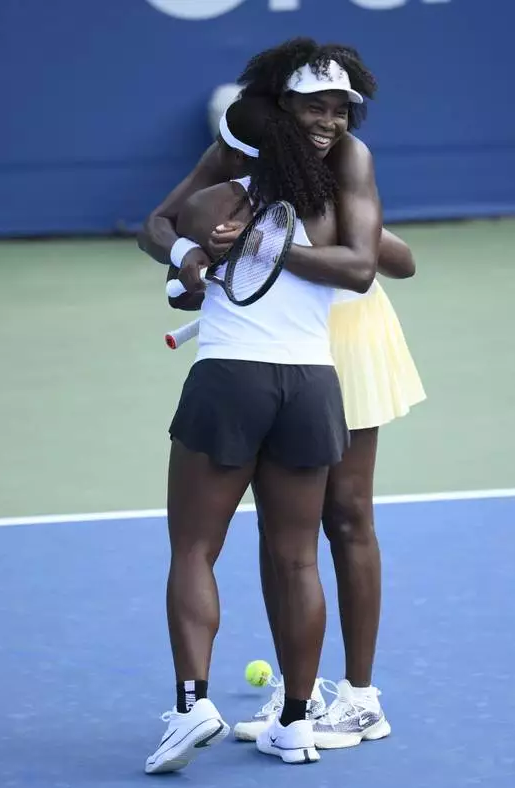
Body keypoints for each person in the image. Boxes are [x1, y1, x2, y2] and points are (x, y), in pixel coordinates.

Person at [138, 38, 425, 750]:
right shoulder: (238, 149)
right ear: (273, 108)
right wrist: (194, 259)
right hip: (277, 341)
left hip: (343, 338)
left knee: (345, 515)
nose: (330, 121)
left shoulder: (350, 157)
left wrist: (272, 244)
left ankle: (358, 696)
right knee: (285, 536)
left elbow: (385, 261)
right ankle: (299, 703)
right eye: (313, 107)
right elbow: (163, 225)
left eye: (340, 108)